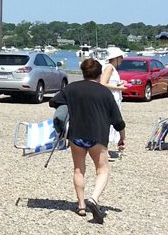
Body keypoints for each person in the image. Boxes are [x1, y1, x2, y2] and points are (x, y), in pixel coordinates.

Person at [49, 58, 125, 223]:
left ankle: (81, 206)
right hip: (97, 136)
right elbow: (117, 120)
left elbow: (53, 101)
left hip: (76, 135)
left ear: (83, 73)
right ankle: (94, 198)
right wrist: (122, 138)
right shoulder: (104, 92)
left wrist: (69, 105)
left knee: (78, 170)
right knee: (102, 170)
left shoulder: (71, 88)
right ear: (99, 75)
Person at [101, 46, 125, 158]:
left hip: (114, 97)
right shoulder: (109, 67)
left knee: (111, 123)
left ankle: (105, 149)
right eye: (121, 57)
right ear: (115, 58)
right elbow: (103, 83)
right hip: (110, 98)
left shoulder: (112, 68)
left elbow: (110, 83)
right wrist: (119, 88)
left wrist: (119, 84)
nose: (122, 59)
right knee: (109, 122)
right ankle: (104, 150)